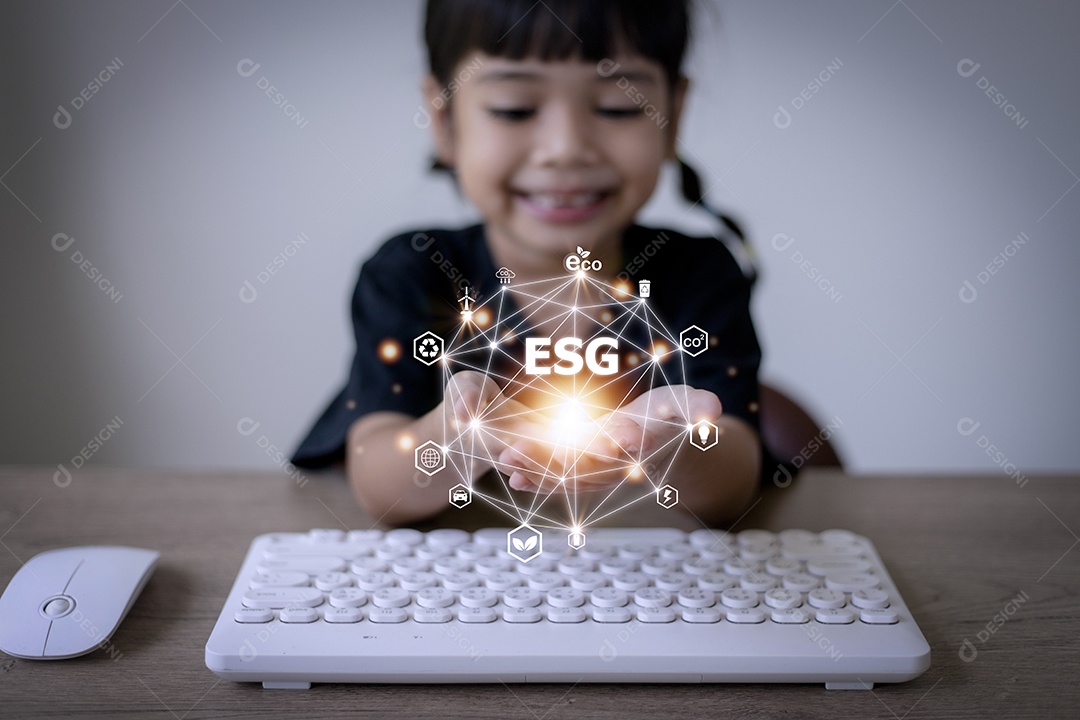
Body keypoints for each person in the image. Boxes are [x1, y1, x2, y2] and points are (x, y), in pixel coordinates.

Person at [292, 0, 765, 527]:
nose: (565, 149)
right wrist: (465, 432)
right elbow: (381, 484)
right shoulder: (414, 272)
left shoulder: (699, 275)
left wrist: (667, 449)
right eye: (514, 108)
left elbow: (734, 482)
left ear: (673, 116)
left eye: (617, 106)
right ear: (444, 117)